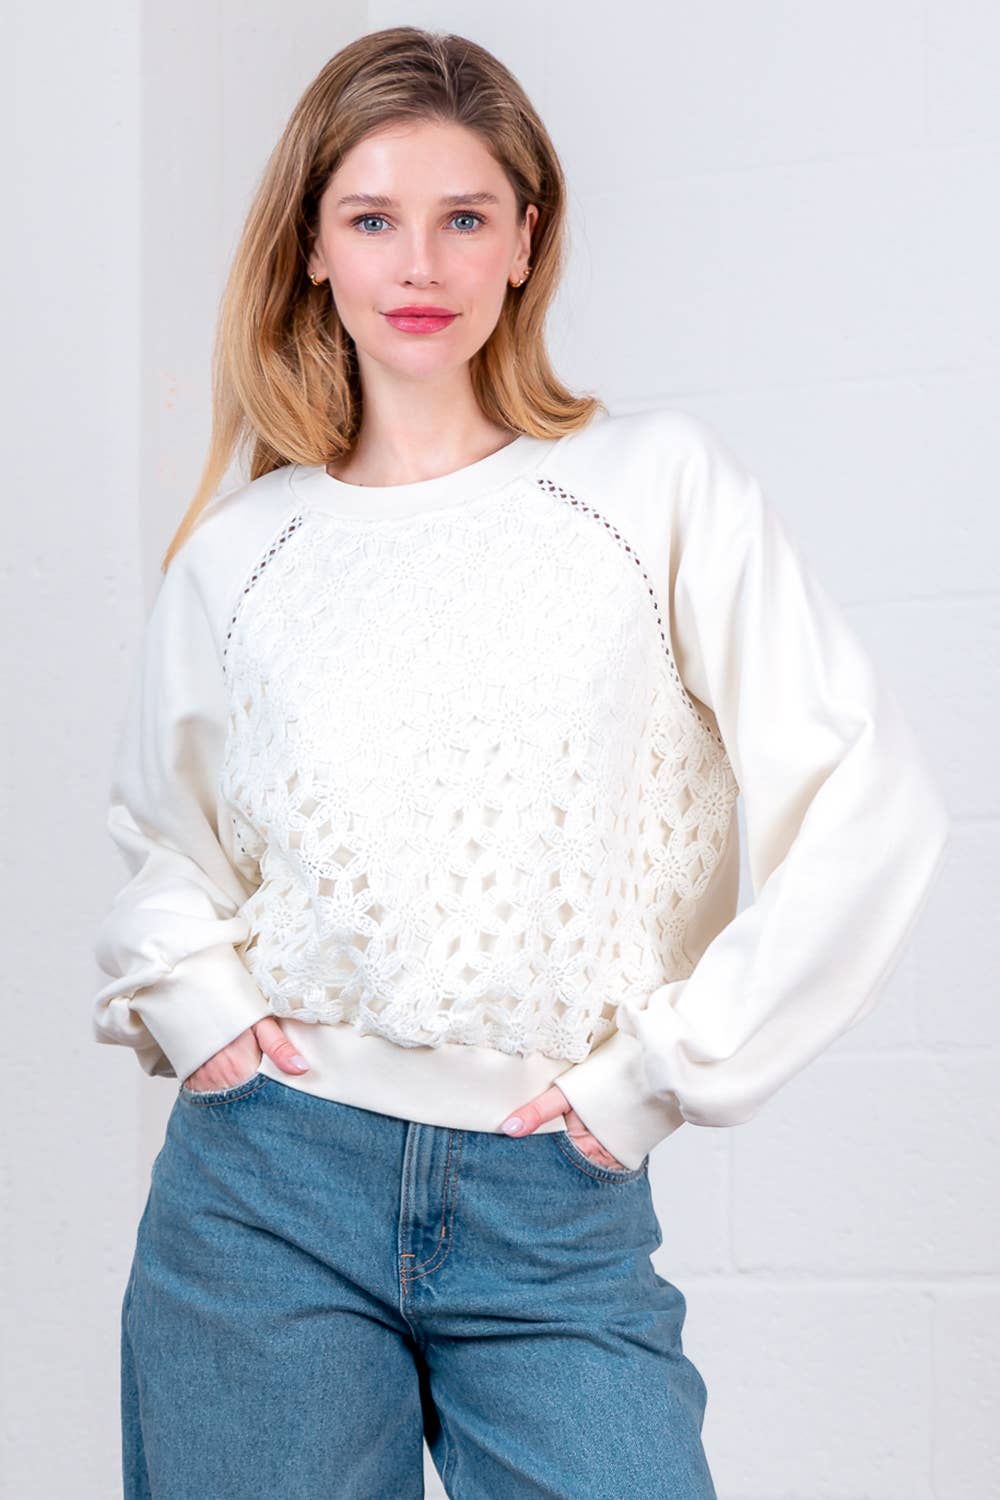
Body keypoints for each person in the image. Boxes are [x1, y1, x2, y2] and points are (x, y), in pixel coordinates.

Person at [93, 25, 950, 1500]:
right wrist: (198, 1006)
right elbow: (167, 845)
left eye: (465, 217)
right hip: (263, 1192)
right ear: (312, 250)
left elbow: (871, 801)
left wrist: (662, 1074)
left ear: (526, 242)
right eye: (373, 220)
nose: (420, 264)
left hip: (551, 1199)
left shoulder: (654, 489)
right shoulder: (242, 554)